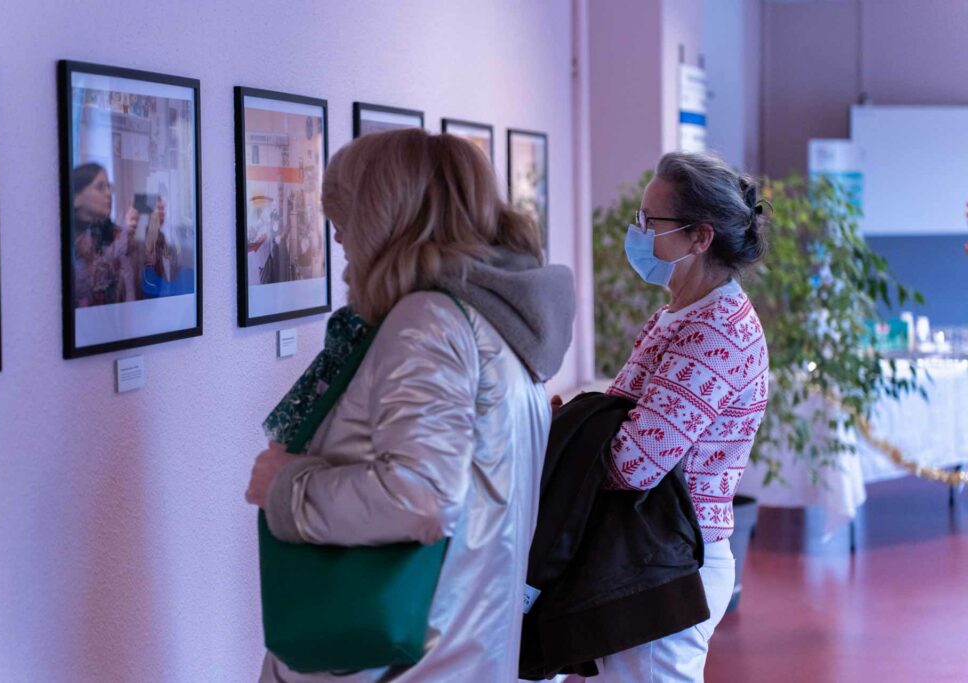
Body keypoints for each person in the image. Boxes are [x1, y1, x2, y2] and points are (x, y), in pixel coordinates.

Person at [244, 128, 576, 682]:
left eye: (346, 223)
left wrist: (286, 488)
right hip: (461, 652)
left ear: (383, 218)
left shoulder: (429, 322)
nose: (341, 243)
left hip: (400, 664)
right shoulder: (499, 330)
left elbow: (420, 499)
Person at [561, 151, 770, 682]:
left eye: (650, 223)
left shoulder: (716, 329)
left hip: (670, 560)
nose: (638, 233)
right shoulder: (678, 312)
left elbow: (634, 462)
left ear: (700, 237)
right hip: (648, 551)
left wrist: (564, 439)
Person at [70, 163, 141, 306]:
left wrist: (153, 230)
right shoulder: (68, 240)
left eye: (109, 187)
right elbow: (85, 285)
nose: (108, 193)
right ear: (76, 198)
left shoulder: (115, 233)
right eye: (100, 187)